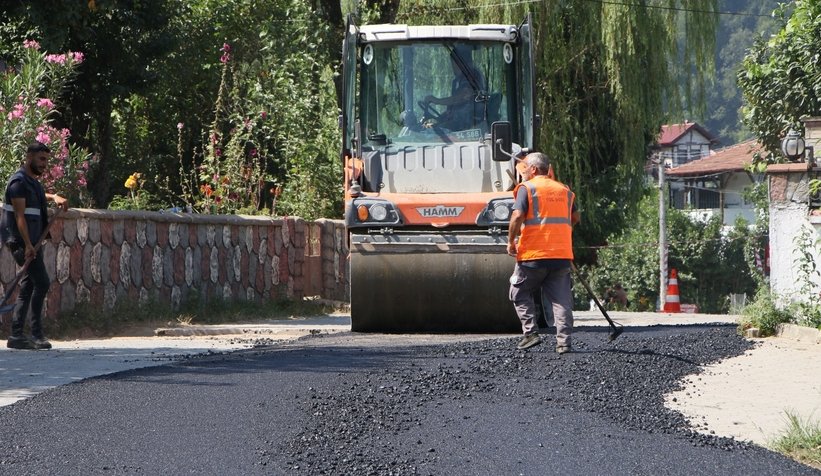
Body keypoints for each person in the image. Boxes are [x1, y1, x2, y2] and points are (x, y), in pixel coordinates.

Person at [507, 152, 580, 353]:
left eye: (525, 169)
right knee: (561, 300)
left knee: (519, 291)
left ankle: (530, 333)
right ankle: (564, 343)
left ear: (533, 169)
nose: (524, 173)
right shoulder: (565, 190)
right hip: (561, 256)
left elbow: (517, 215)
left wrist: (511, 241)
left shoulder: (527, 188)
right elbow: (575, 218)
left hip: (533, 255)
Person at [2, 142, 68, 350]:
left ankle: (17, 335)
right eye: (41, 159)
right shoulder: (18, 182)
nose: (44, 164)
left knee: (29, 285)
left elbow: (38, 195)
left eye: (47, 160)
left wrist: (54, 196)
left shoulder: (33, 183)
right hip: (22, 242)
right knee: (42, 282)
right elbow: (20, 217)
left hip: (32, 241)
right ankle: (36, 334)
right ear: (29, 156)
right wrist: (29, 245)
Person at [422, 45, 486, 131]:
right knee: (428, 129)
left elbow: (463, 96)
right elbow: (453, 108)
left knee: (433, 133)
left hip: (467, 124)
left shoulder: (472, 75)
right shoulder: (458, 80)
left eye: (453, 63)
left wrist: (437, 101)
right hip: (457, 121)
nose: (453, 67)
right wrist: (438, 119)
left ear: (461, 61)